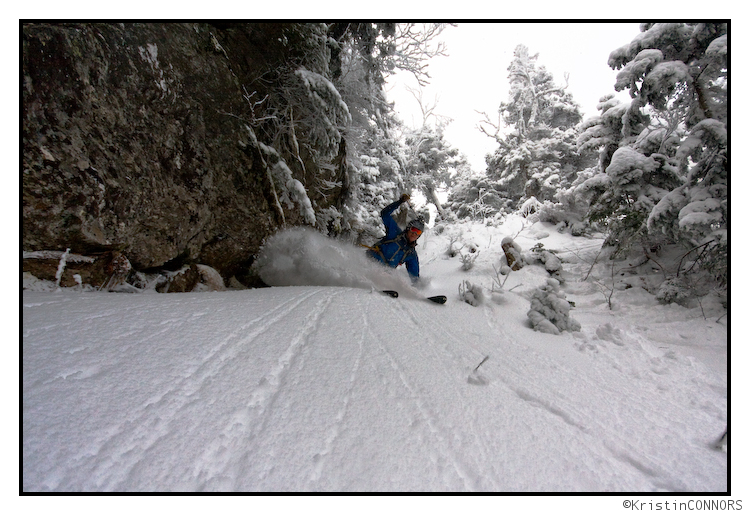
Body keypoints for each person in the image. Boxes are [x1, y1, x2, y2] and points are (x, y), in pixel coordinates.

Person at [366, 194, 424, 283]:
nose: (414, 234)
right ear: (408, 228)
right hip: (369, 261)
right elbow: (384, 214)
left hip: (383, 273)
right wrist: (399, 202)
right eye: (413, 229)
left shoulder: (411, 253)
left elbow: (414, 276)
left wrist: (419, 288)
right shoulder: (395, 233)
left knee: (386, 278)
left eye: (418, 232)